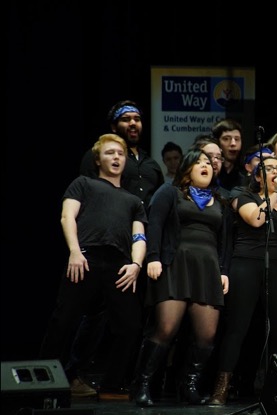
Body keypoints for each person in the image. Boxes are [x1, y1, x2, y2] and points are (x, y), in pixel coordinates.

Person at [39, 133, 147, 399]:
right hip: (86, 258)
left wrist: (136, 264)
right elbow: (67, 216)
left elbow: (139, 236)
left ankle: (111, 385)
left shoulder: (133, 200)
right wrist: (74, 251)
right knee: (63, 320)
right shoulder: (83, 183)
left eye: (120, 153)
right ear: (98, 159)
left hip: (119, 265)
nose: (116, 158)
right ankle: (43, 379)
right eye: (110, 153)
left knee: (130, 326)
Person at [68, 100, 164, 398]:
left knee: (133, 319)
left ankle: (120, 380)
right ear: (114, 126)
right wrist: (78, 248)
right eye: (126, 120)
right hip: (98, 246)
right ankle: (75, 374)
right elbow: (87, 200)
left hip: (137, 247)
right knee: (92, 316)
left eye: (137, 119)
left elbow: (156, 207)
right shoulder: (96, 157)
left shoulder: (150, 164)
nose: (133, 124)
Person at [132, 149, 231, 407]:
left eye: (209, 163)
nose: (205, 165)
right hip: (175, 264)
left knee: (207, 335)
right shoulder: (169, 192)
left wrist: (223, 271)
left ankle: (189, 387)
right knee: (165, 328)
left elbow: (225, 241)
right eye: (199, 162)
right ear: (187, 168)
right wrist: (153, 257)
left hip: (207, 270)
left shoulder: (219, 201)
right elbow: (155, 223)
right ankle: (143, 385)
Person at [208, 156, 277, 406]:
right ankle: (222, 387)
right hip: (246, 264)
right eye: (269, 169)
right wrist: (273, 194)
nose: (276, 172)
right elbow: (256, 219)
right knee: (238, 327)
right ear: (258, 176)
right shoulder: (243, 195)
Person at [212, 118, 246, 191]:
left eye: (237, 139)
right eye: (226, 139)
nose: (233, 143)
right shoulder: (210, 171)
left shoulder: (246, 174)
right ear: (217, 142)